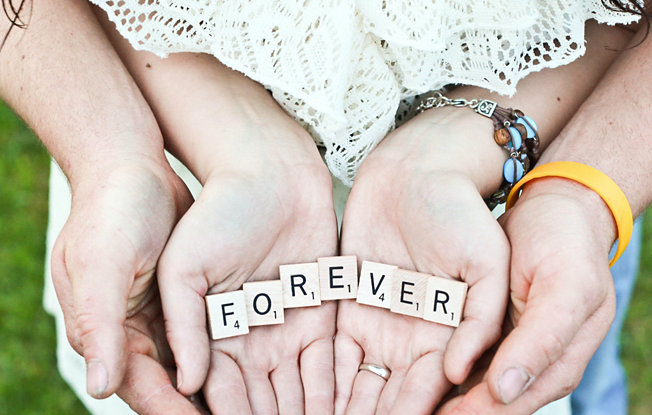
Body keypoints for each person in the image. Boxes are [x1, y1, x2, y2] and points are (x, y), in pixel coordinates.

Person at [0, 1, 648, 415]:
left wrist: (584, 191)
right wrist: (111, 153)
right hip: (183, 177)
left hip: (538, 166)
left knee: (566, 339)